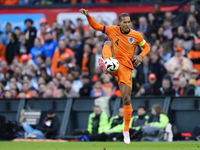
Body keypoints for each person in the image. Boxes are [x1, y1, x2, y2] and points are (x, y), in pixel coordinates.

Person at [80, 8, 150, 144]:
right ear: (120, 22)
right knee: (107, 42)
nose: (127, 24)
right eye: (125, 22)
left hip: (126, 68)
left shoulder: (136, 35)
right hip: (114, 62)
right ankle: (106, 64)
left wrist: (141, 56)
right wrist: (88, 16)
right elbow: (96, 26)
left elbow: (147, 47)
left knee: (126, 99)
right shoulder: (113, 29)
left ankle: (126, 131)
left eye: (129, 22)